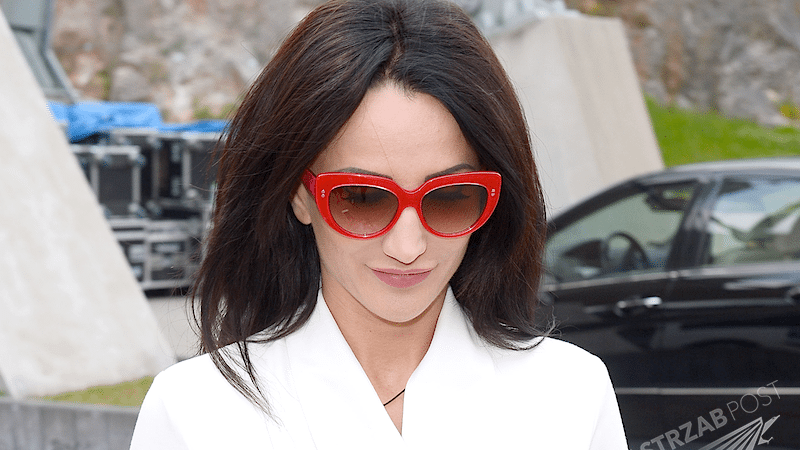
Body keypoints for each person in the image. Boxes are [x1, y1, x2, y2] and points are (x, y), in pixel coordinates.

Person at [130, 0, 628, 448]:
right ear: (299, 195)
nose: (407, 246)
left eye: (449, 197)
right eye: (362, 199)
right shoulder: (196, 413)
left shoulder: (570, 396)